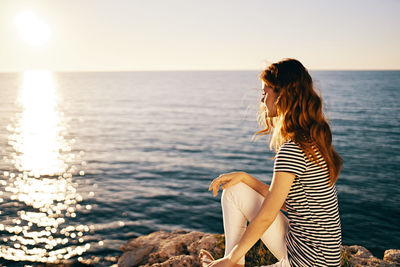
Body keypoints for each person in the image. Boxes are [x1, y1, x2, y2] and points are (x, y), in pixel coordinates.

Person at [198, 58, 343, 267]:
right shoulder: (313, 140)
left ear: (282, 96)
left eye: (265, 93)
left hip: (306, 263)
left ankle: (231, 262)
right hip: (314, 253)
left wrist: (229, 259)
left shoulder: (292, 150)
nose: (262, 100)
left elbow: (267, 216)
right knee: (235, 189)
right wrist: (246, 178)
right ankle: (234, 263)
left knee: (238, 199)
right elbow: (287, 203)